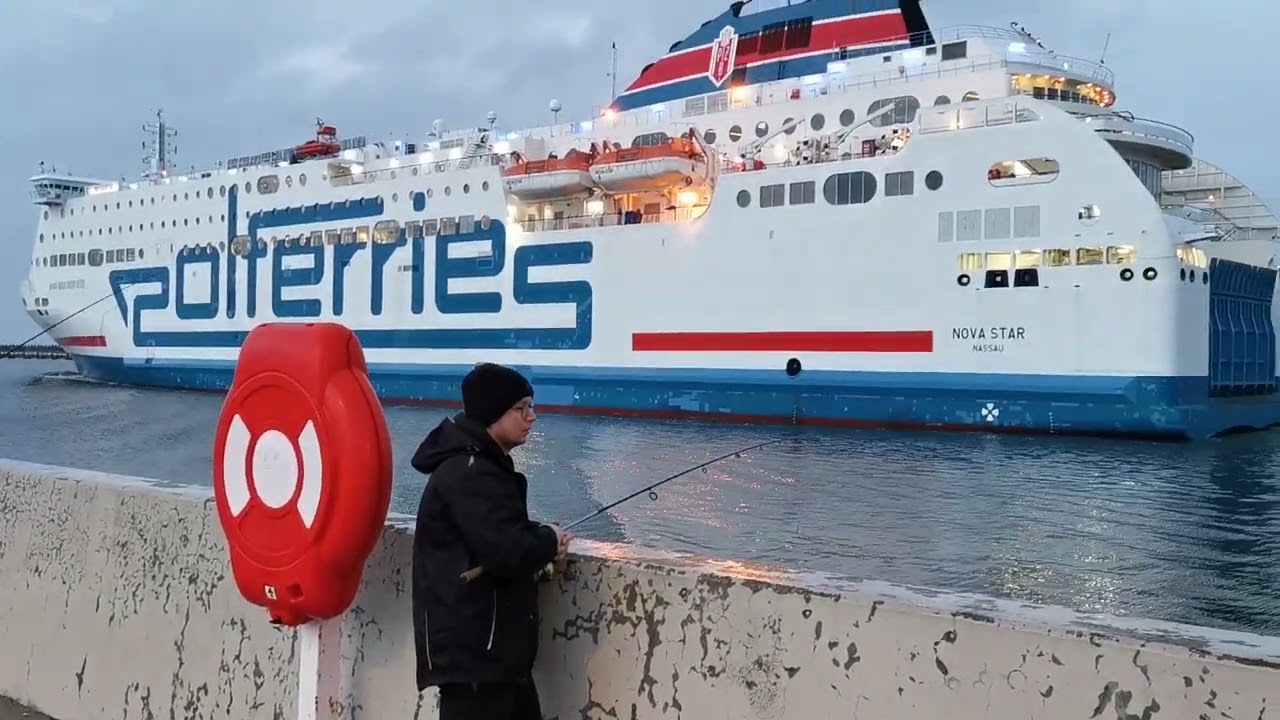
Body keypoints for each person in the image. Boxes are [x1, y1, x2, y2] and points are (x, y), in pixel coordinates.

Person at [410, 362, 572, 720]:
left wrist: (539, 541)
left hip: (494, 661)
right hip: (478, 665)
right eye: (521, 408)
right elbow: (507, 552)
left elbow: (497, 534)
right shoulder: (471, 473)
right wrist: (548, 539)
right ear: (492, 413)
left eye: (531, 406)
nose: (532, 417)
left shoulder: (479, 467)